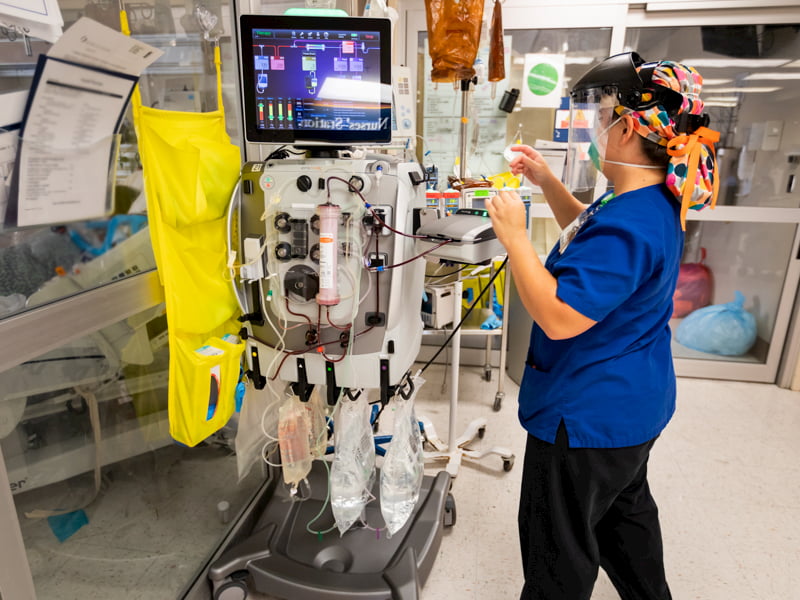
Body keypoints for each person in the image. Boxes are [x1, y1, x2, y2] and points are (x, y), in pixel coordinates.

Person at [486, 52, 719, 600]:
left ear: (630, 127)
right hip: (632, 408)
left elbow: (560, 315)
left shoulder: (631, 223)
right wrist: (545, 181)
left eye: (605, 114)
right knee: (622, 516)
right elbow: (588, 236)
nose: (596, 125)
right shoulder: (647, 200)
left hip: (586, 418)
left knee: (558, 548)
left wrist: (515, 238)